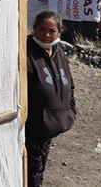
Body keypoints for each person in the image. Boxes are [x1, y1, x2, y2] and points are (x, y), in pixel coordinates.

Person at [26, 11, 77, 187]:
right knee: (31, 170)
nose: (46, 35)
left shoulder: (58, 51)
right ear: (34, 29)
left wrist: (71, 110)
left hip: (52, 124)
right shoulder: (26, 51)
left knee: (39, 168)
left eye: (51, 30)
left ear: (59, 32)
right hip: (34, 125)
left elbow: (70, 84)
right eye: (42, 29)